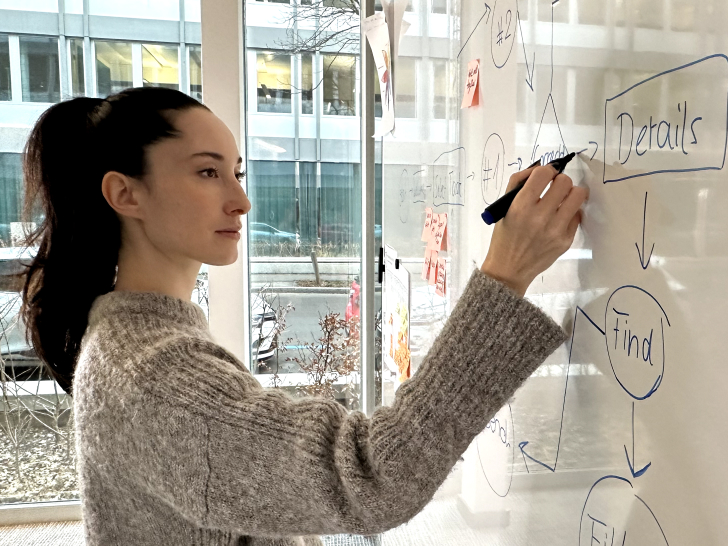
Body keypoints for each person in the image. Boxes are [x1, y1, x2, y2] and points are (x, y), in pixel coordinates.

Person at [18, 87, 587, 546]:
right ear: (126, 194)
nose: (241, 201)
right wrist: (505, 275)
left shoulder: (142, 339)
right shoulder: (155, 376)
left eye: (236, 173)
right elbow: (372, 478)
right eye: (207, 172)